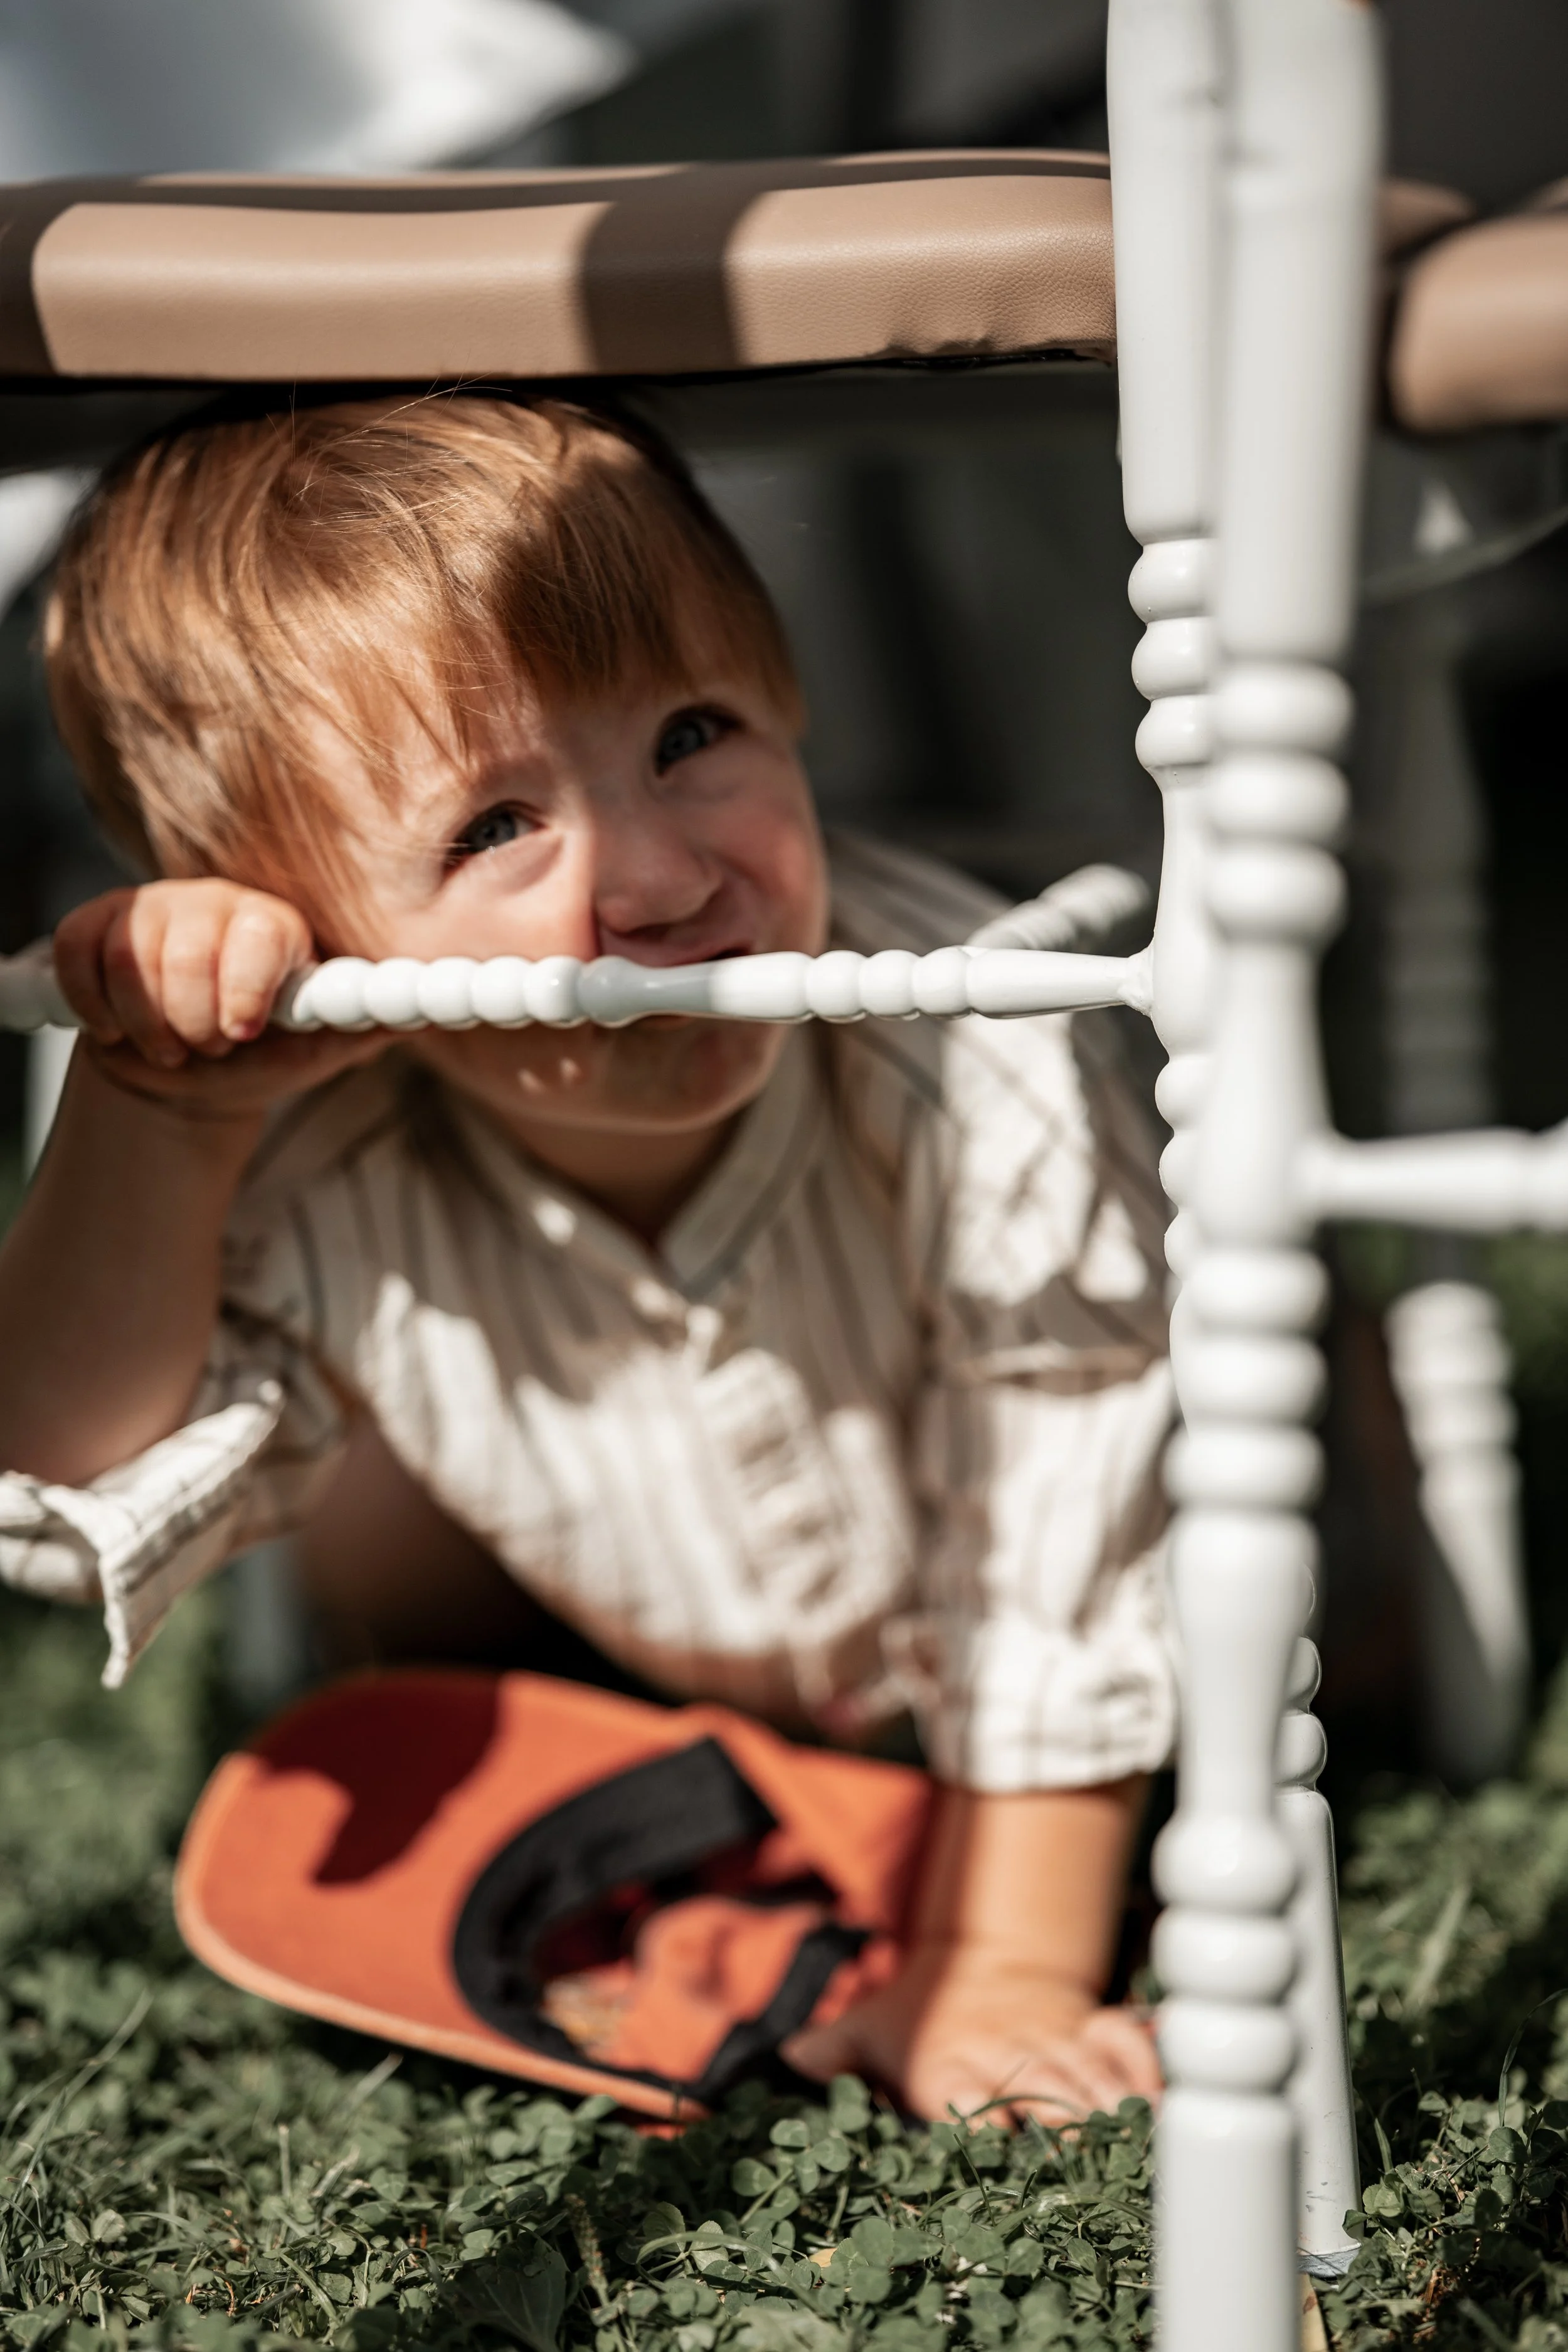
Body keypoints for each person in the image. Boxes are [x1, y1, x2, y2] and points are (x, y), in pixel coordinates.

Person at [0, 392, 1173, 2127]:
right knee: (381, 1565)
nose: (659, 875)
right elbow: (52, 1487)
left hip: (1146, 1573)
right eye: (494, 827)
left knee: (1338, 1574)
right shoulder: (326, 1142)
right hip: (727, 1652)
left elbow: (1077, 1535)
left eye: (693, 732)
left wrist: (998, 1965)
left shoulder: (967, 1053)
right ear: (305, 929)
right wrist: (158, 1120)